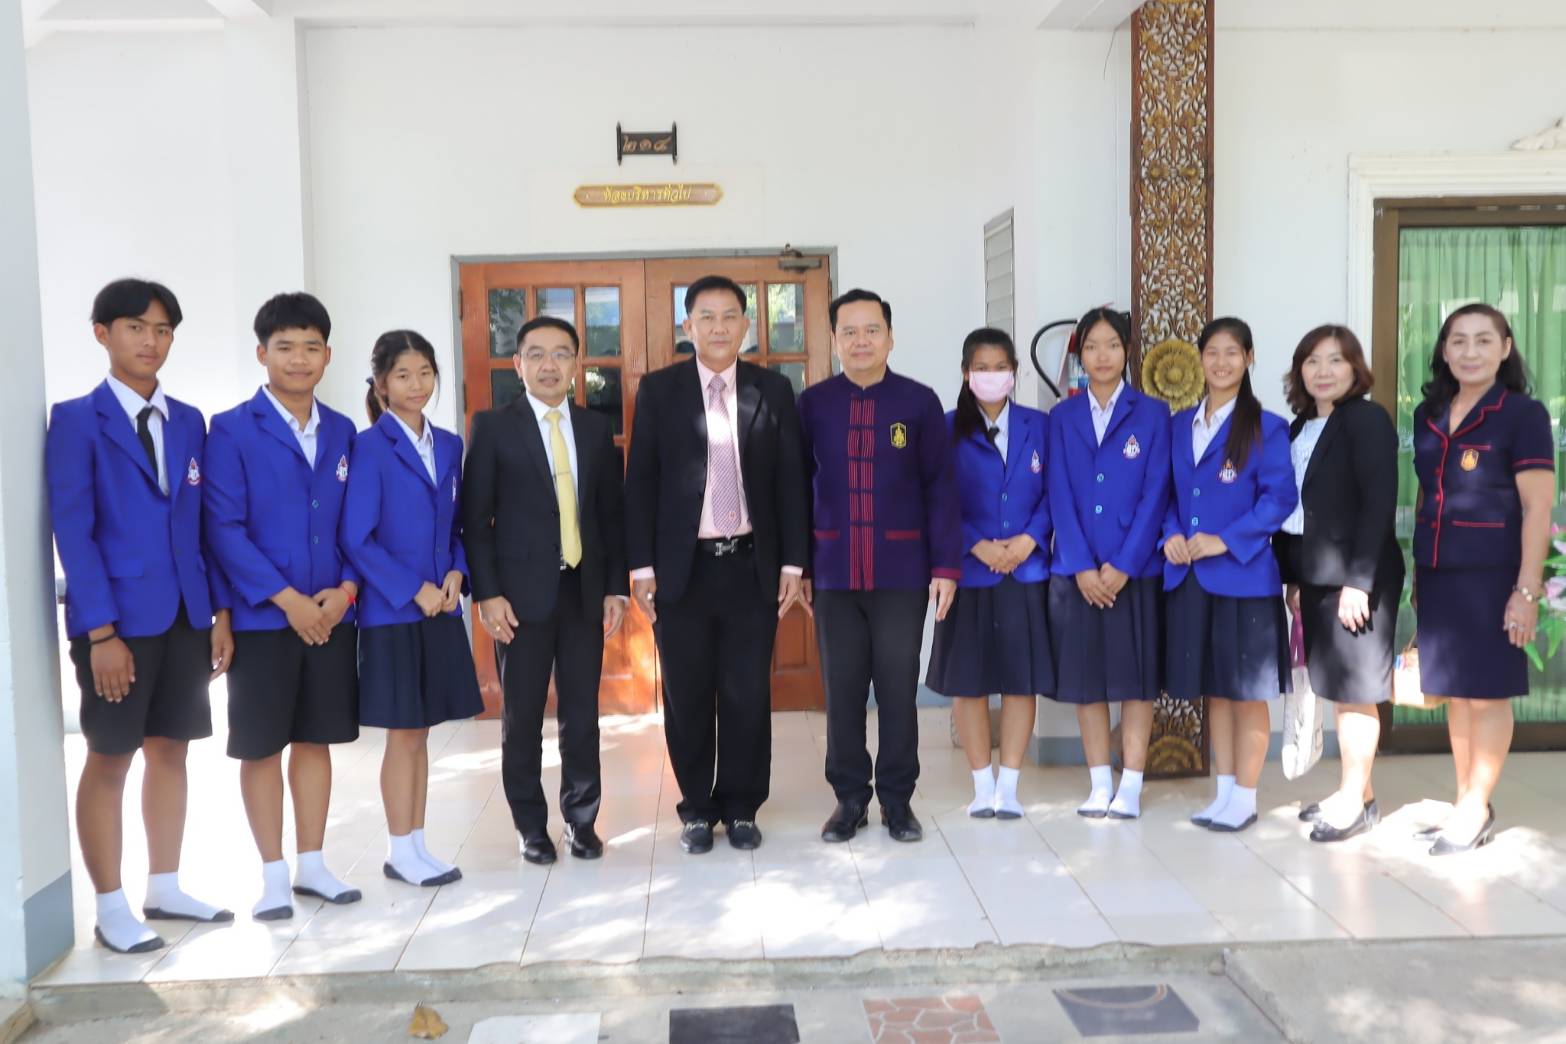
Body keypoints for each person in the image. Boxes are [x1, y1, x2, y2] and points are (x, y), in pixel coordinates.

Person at [46, 278, 234, 953]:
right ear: (103, 334)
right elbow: (74, 529)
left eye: (162, 331)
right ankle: (110, 905)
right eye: (135, 328)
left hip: (185, 614)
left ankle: (165, 885)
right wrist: (100, 632)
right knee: (110, 757)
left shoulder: (188, 420)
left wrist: (218, 611)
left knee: (172, 749)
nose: (150, 341)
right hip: (117, 624)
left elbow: (202, 525)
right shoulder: (75, 420)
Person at [625, 275, 810, 854]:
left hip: (751, 566)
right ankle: (697, 809)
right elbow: (641, 483)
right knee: (687, 694)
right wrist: (641, 567)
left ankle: (743, 805)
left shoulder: (772, 389)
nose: (719, 327)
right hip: (684, 570)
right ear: (688, 326)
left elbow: (791, 481)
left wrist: (793, 564)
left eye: (730, 316)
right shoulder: (659, 391)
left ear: (747, 325)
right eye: (706, 317)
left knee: (747, 692)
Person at [203, 292, 364, 919]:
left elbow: (356, 524)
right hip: (264, 619)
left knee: (316, 740)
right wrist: (288, 600)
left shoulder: (343, 430)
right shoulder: (231, 429)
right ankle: (272, 875)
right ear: (262, 353)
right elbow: (223, 528)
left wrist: (345, 590)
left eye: (311, 347)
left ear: (328, 355)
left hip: (330, 615)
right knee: (262, 746)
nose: (299, 359)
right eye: (285, 347)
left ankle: (312, 864)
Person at [800, 288, 962, 845]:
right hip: (834, 571)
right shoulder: (813, 404)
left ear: (890, 337)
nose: (861, 341)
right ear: (834, 340)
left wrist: (946, 566)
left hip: (902, 572)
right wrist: (799, 567)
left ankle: (897, 799)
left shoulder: (918, 403)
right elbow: (796, 487)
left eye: (872, 330)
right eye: (849, 331)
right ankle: (849, 798)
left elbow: (940, 488)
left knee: (897, 690)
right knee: (842, 691)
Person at [464, 316, 628, 866]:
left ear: (577, 365)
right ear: (518, 365)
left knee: (582, 716)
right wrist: (487, 594)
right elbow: (475, 520)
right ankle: (530, 826)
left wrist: (615, 587)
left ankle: (582, 821)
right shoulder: (492, 427)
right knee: (523, 718)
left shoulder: (594, 428)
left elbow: (610, 516)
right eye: (536, 354)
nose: (549, 365)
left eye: (561, 354)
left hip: (583, 591)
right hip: (518, 599)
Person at [1410, 303, 1555, 855]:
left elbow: (1537, 508)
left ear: (1506, 347)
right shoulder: (1429, 414)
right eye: (1459, 341)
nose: (1470, 352)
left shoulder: (1523, 415)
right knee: (1456, 693)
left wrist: (1526, 591)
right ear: (1444, 351)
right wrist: (1419, 575)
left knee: (1488, 694)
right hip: (1439, 572)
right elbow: (1426, 493)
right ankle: (1466, 800)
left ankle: (1476, 807)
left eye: (1483, 340)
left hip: (1494, 577)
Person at [341, 330, 482, 885]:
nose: (416, 384)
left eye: (425, 372)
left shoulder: (448, 445)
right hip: (393, 614)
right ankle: (400, 850)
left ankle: (418, 845)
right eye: (403, 375)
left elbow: (457, 527)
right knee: (403, 733)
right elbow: (357, 538)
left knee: (422, 732)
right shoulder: (368, 447)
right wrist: (412, 589)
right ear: (380, 384)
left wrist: (456, 572)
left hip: (440, 608)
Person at [1163, 316, 1296, 833]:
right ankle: (1222, 792)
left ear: (1249, 358)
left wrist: (1226, 538)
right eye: (1212, 352)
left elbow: (1279, 499)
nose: (1221, 362)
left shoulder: (1268, 427)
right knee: (1214, 690)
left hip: (1243, 578)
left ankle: (1246, 795)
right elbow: (1168, 495)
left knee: (1246, 692)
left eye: (1232, 353)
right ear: (1200, 359)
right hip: (1191, 578)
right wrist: (1170, 534)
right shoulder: (1180, 425)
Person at [1272, 325, 1404, 844]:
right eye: (1312, 361)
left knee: (1357, 693)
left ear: (1355, 368)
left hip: (1356, 582)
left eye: (1336, 360)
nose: (1323, 371)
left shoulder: (1366, 420)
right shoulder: (1299, 427)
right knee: (1339, 691)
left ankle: (1353, 802)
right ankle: (1358, 795)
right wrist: (1294, 578)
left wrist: (1359, 582)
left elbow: (1378, 504)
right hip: (1316, 579)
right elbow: (1297, 513)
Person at [1046, 307, 1171, 820]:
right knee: (1088, 682)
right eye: (1092, 346)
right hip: (1078, 572)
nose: (1102, 356)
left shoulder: (1153, 414)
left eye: (1112, 345)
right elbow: (1058, 492)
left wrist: (1124, 563)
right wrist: (1080, 565)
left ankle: (1132, 785)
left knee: (1136, 681)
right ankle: (1100, 784)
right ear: (1080, 354)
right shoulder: (1062, 416)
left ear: (1127, 351)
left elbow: (1156, 493)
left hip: (1133, 572)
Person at [925, 327, 1050, 820]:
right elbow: (935, 499)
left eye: (1001, 367)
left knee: (1021, 681)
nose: (993, 375)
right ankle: (982, 785)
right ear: (965, 373)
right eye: (982, 368)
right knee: (969, 682)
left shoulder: (1040, 426)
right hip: (969, 574)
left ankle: (1009, 786)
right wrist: (975, 543)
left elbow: (1056, 493)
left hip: (1026, 572)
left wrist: (1028, 539)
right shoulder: (945, 429)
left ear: (1014, 372)